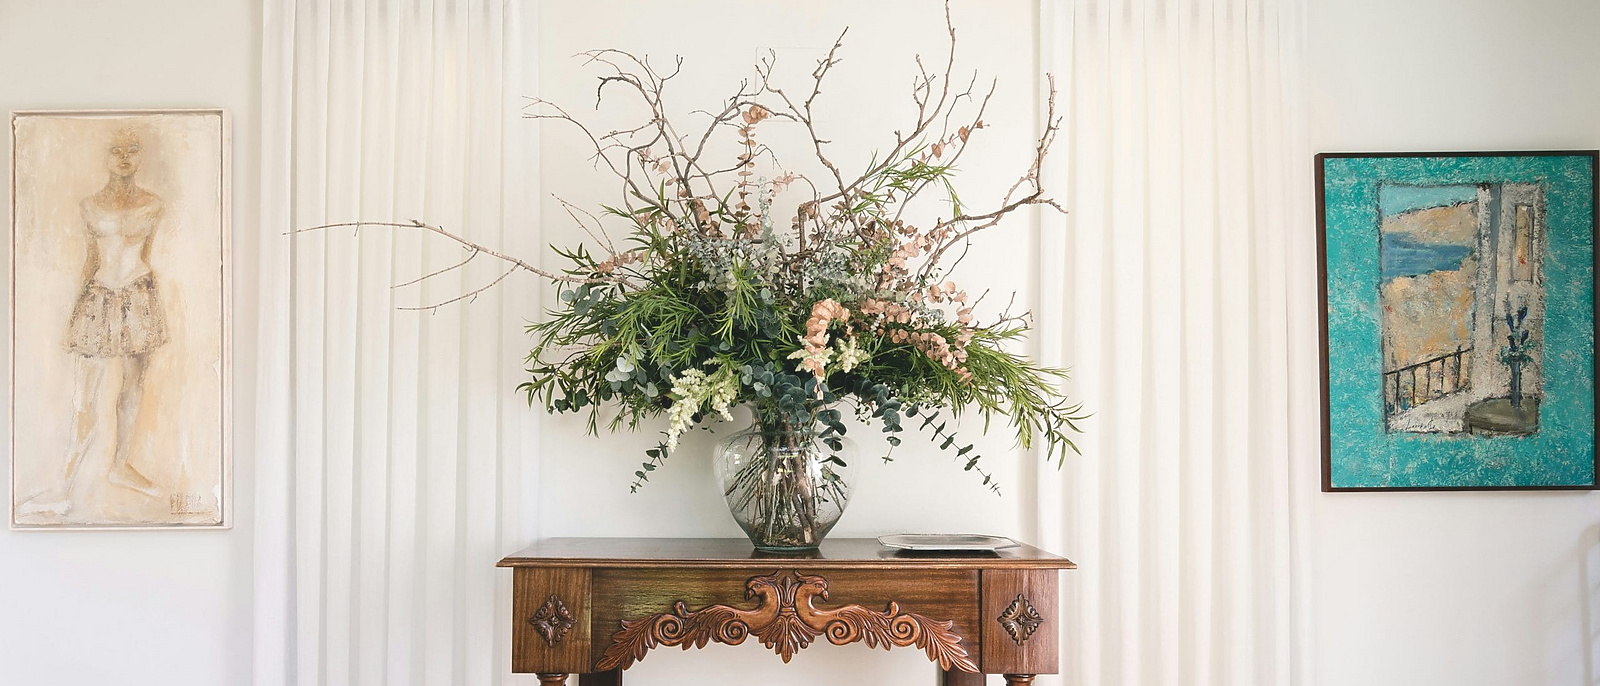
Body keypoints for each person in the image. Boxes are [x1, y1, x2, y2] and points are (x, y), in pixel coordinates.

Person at [18, 127, 168, 517]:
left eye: (132, 149)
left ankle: (120, 465)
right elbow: (91, 259)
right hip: (99, 296)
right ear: (106, 156)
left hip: (138, 295)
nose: (123, 157)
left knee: (133, 387)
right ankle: (64, 487)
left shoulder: (154, 205)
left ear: (140, 156)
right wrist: (76, 311)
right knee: (84, 397)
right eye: (115, 149)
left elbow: (146, 254)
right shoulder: (90, 205)